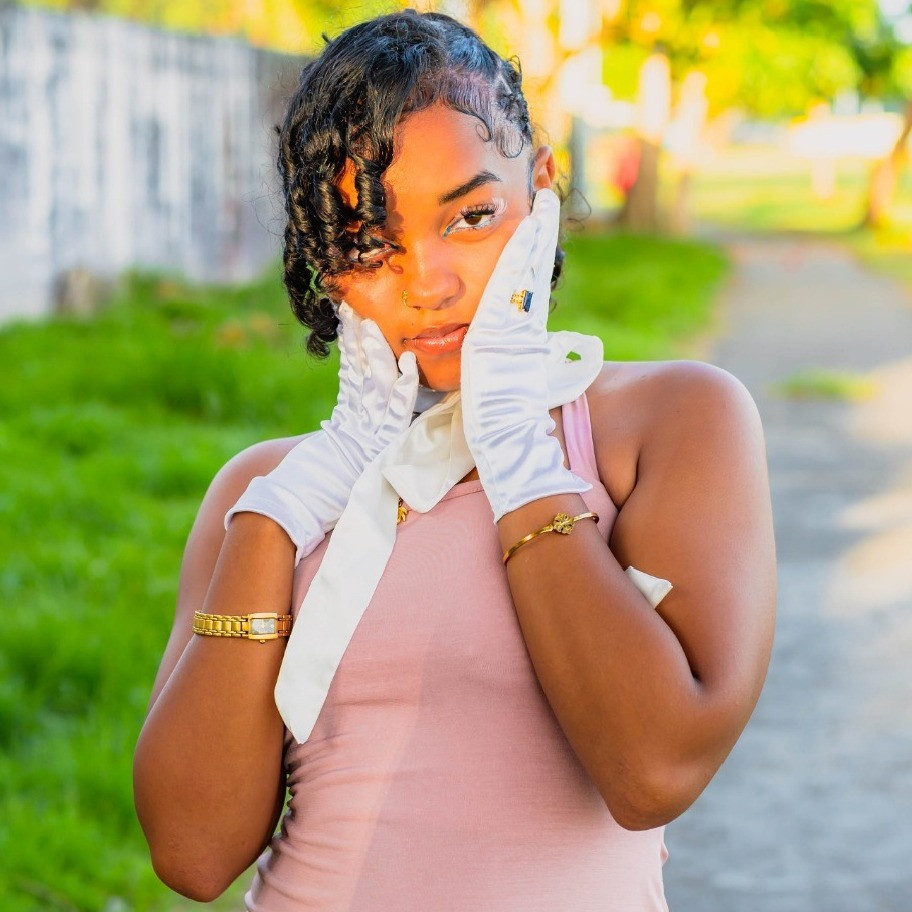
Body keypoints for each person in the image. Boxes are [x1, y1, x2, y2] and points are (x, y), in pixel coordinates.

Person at [133, 9, 776, 911]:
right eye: (371, 242)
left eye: (471, 217)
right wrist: (285, 512)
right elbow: (194, 854)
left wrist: (516, 447)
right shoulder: (263, 491)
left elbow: (653, 771)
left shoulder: (670, 423)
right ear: (326, 260)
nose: (428, 284)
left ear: (539, 189)